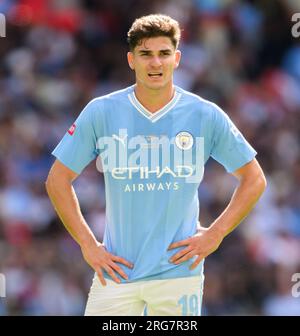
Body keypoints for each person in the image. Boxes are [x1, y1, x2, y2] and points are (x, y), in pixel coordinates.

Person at [45, 14, 267, 316]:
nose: (155, 63)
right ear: (131, 60)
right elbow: (57, 180)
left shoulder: (205, 114)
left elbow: (254, 178)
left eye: (164, 54)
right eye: (145, 54)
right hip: (117, 272)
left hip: (178, 275)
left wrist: (216, 233)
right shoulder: (101, 111)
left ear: (176, 59)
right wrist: (88, 245)